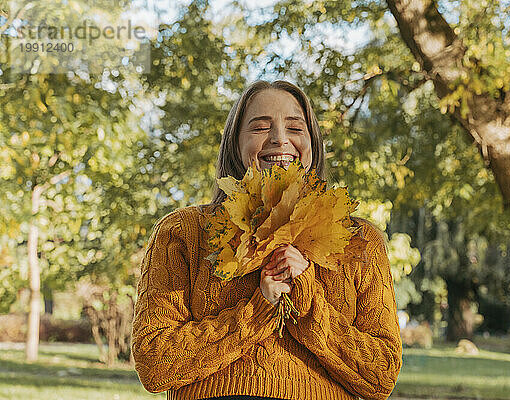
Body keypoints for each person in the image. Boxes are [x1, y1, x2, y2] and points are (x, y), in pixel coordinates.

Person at [131, 80, 403, 400]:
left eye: (295, 127)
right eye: (260, 127)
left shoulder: (360, 241)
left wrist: (308, 306)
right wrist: (257, 310)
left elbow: (382, 375)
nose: (279, 139)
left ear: (312, 144)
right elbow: (154, 363)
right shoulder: (182, 232)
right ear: (235, 144)